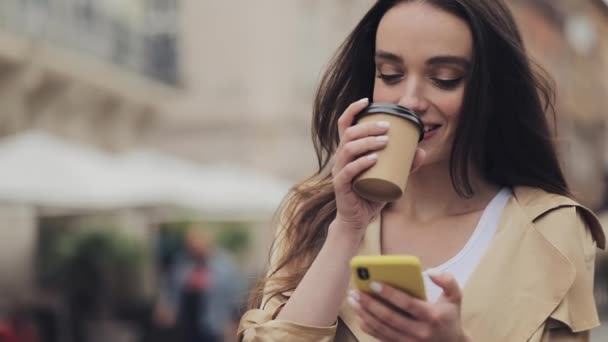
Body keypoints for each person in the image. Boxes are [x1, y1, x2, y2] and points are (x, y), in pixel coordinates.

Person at [237, 0, 606, 341]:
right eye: (390, 74)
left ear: (490, 90)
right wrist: (346, 230)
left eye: (444, 78)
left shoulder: (552, 230)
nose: (410, 101)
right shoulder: (310, 214)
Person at [155, 227, 245, 342]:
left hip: (215, 326)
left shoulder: (226, 266)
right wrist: (167, 306)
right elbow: (171, 287)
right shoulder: (182, 263)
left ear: (209, 243)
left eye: (198, 243)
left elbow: (238, 296)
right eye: (191, 244)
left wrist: (233, 323)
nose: (194, 248)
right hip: (186, 326)